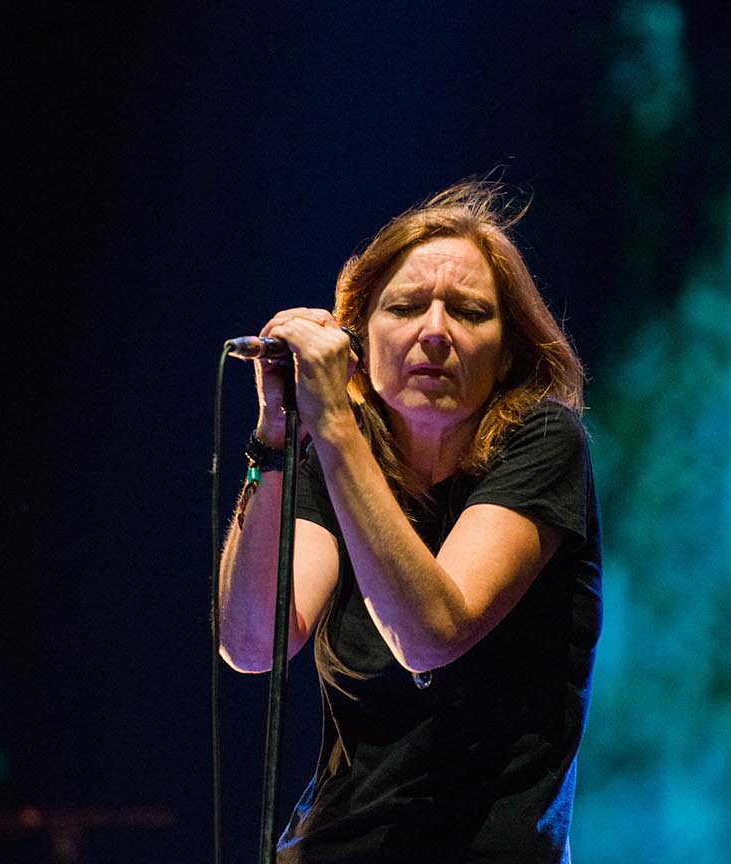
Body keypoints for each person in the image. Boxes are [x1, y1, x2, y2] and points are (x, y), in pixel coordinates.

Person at [219, 180, 601, 863]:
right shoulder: (336, 456)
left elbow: (431, 633)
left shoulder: (543, 443)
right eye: (405, 307)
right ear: (359, 341)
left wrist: (333, 425)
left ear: (506, 353)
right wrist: (275, 437)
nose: (435, 331)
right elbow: (252, 643)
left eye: (469, 312)